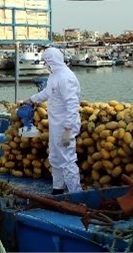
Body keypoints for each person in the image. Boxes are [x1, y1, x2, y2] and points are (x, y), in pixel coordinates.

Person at [23, 47, 82, 195]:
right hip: (56, 125)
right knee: (55, 156)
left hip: (65, 126)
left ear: (52, 61)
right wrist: (31, 99)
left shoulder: (66, 78)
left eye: (46, 61)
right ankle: (58, 188)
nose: (45, 64)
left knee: (67, 159)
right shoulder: (54, 76)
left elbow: (72, 105)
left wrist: (68, 129)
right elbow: (47, 93)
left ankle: (76, 194)